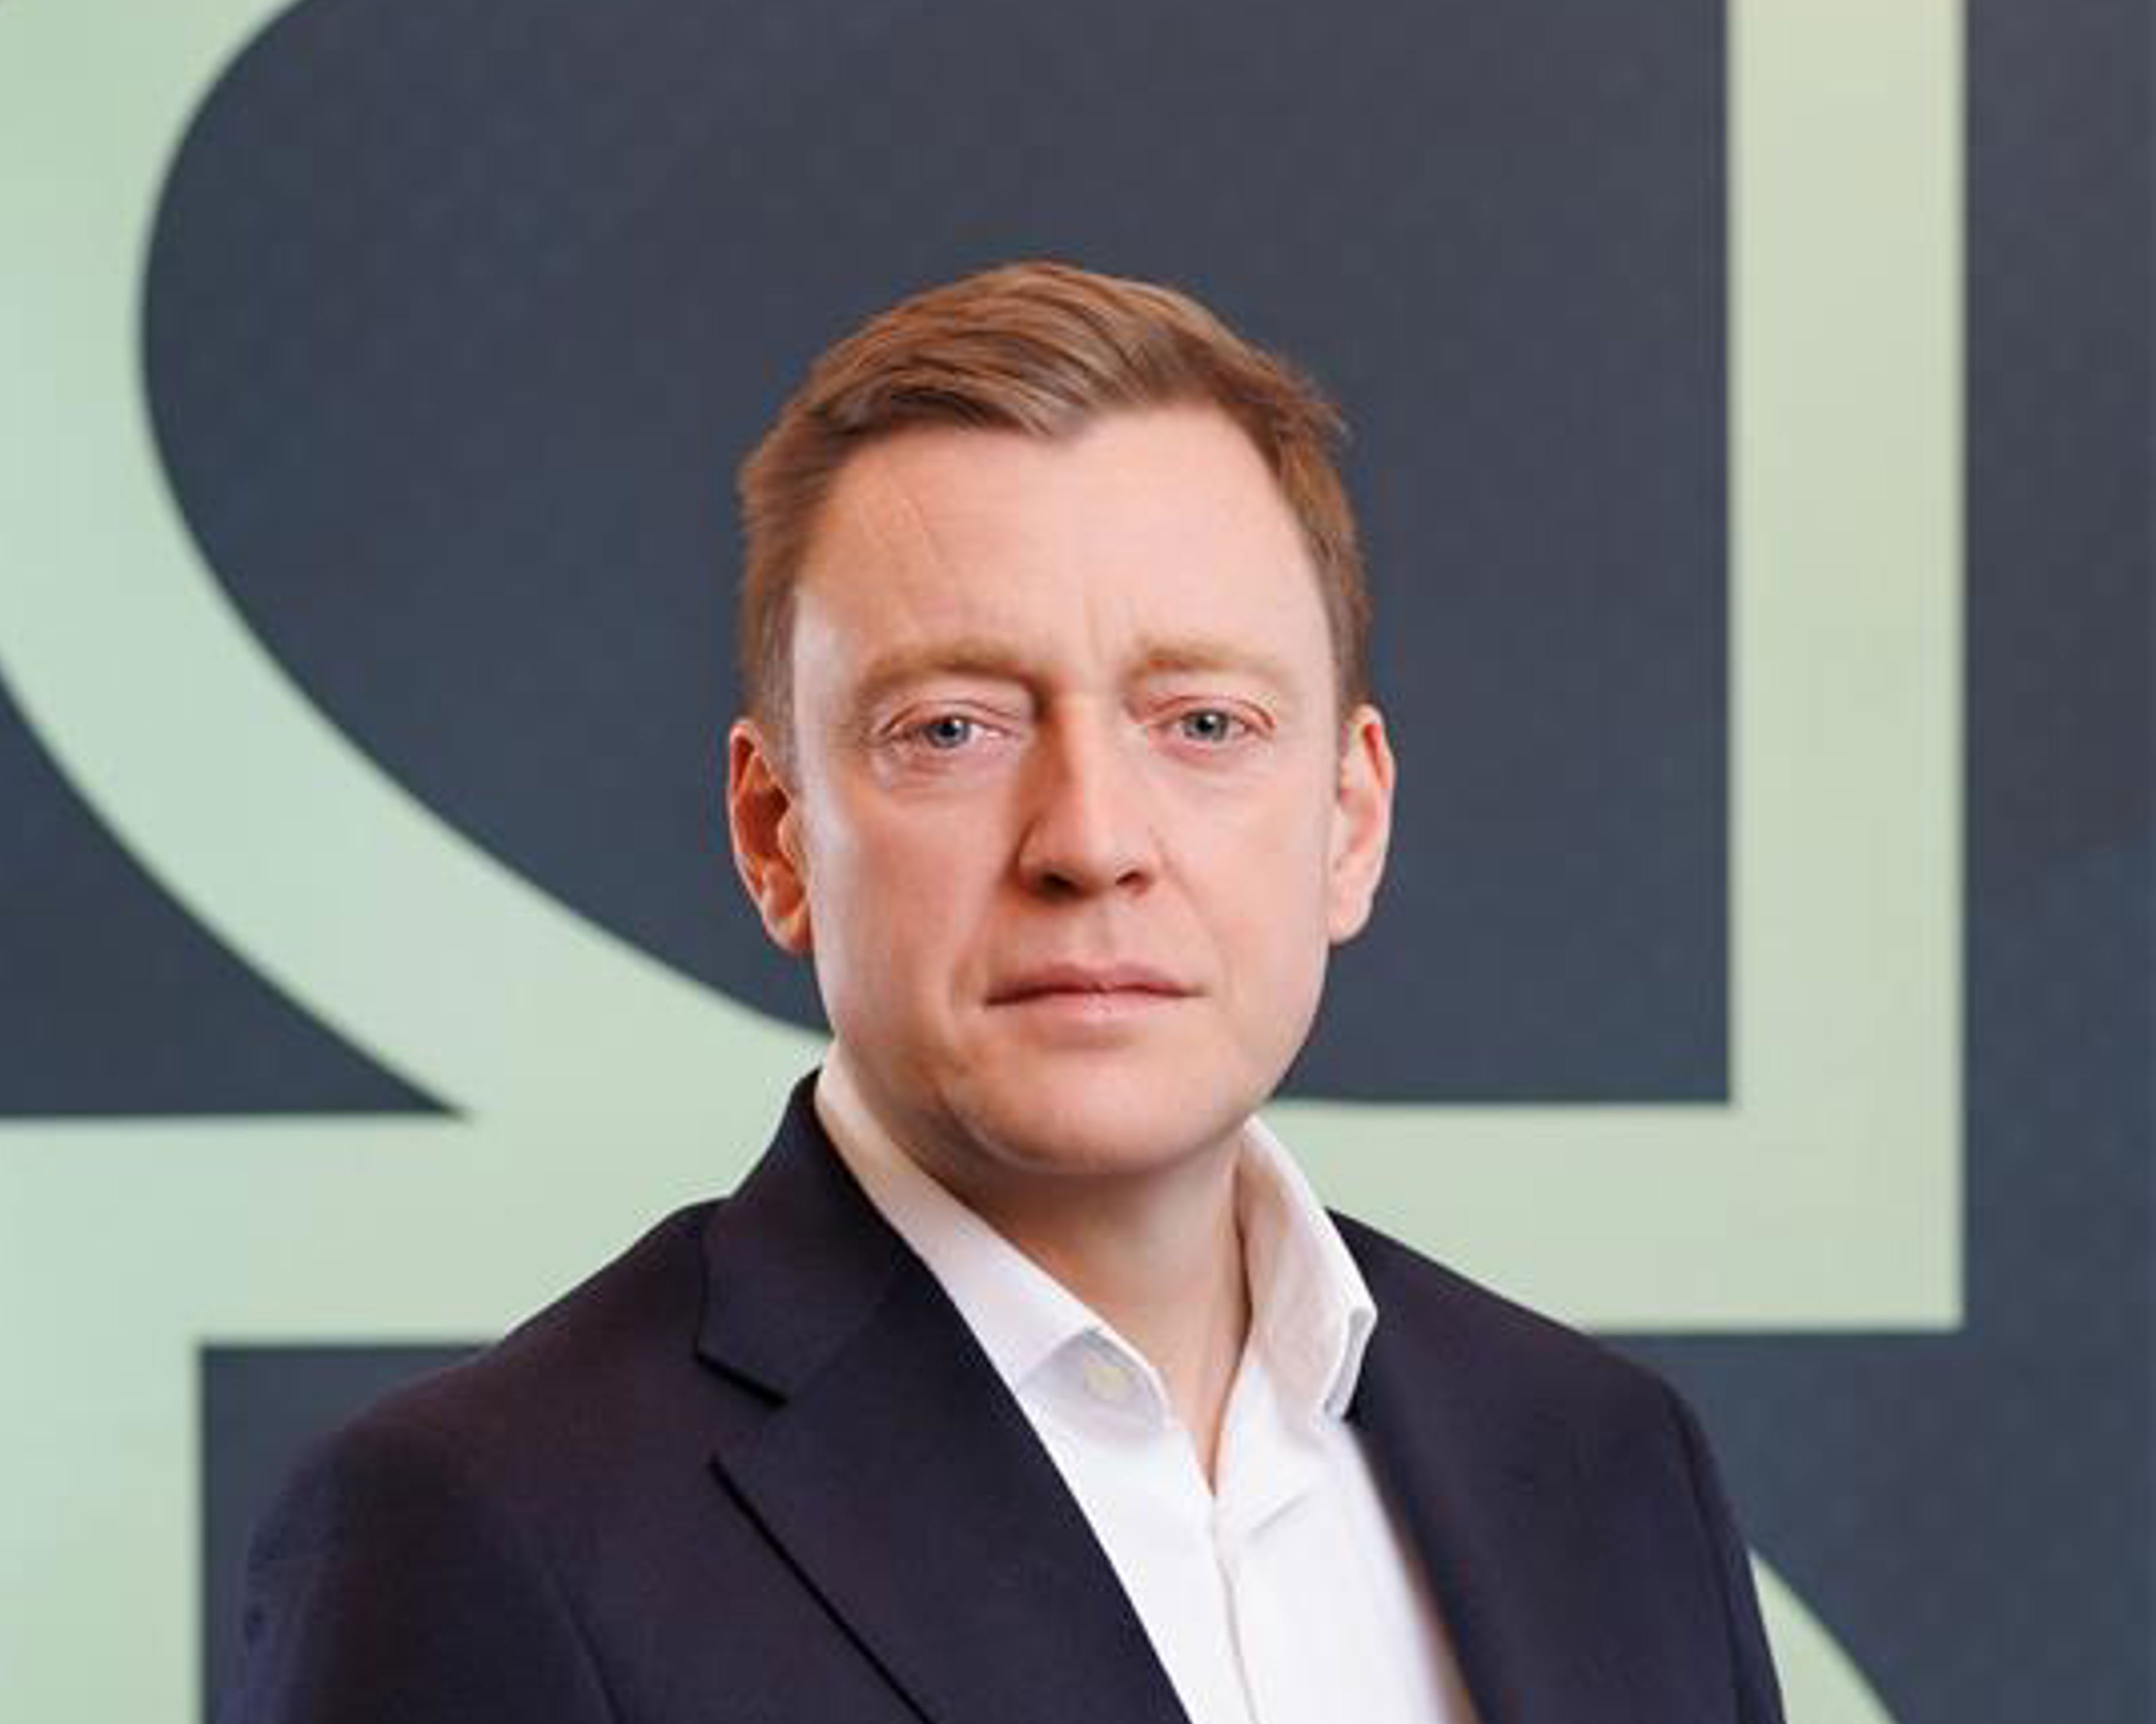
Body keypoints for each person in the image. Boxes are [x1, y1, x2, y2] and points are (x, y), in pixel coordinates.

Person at [220, 262, 1785, 1724]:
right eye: (953, 730)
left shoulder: (1607, 1469)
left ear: (1350, 823)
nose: (1092, 841)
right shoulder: (488, 1525)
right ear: (777, 836)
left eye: (1206, 724)